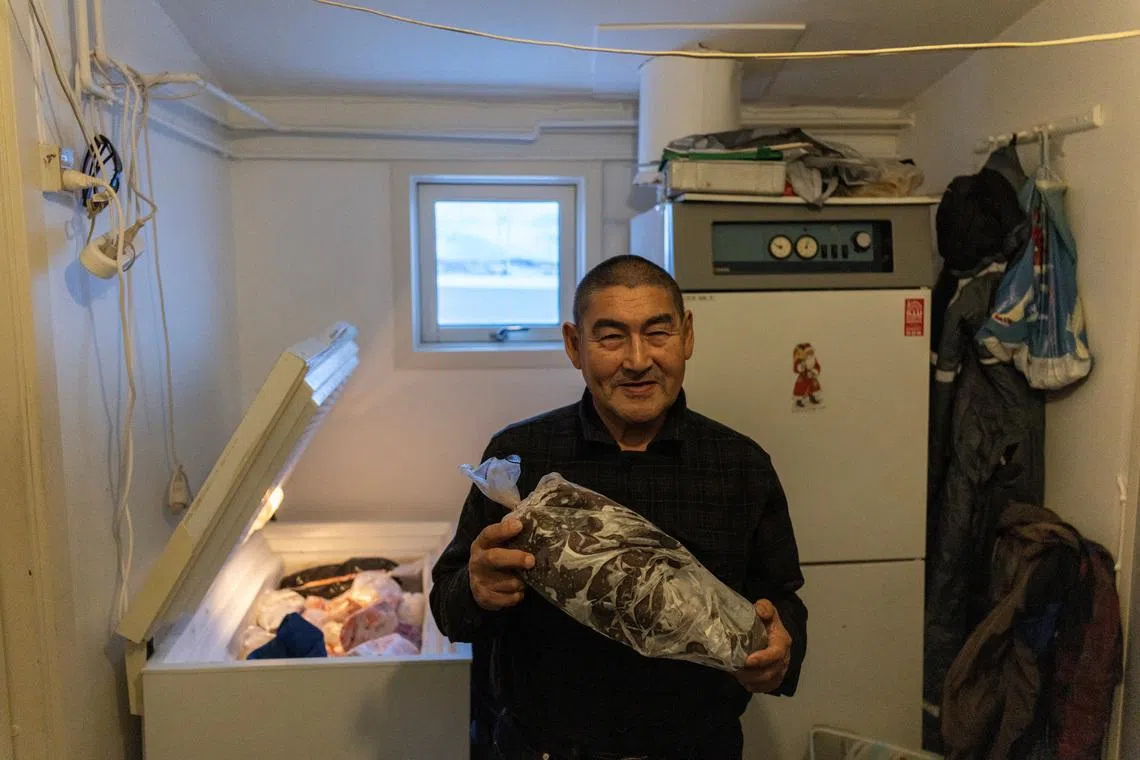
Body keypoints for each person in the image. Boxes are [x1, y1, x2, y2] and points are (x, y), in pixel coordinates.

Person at [430, 255, 808, 760]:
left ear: (687, 335)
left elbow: (781, 598)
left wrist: (781, 649)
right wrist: (476, 589)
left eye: (657, 333)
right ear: (574, 345)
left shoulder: (739, 465)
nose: (636, 360)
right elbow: (450, 609)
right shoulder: (520, 458)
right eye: (610, 337)